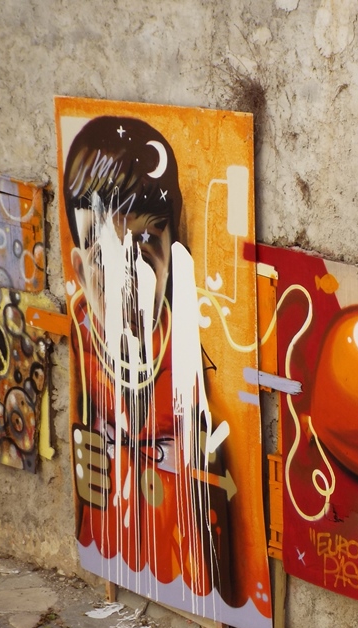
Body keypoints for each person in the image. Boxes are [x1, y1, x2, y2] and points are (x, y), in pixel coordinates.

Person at [64, 116, 231, 601]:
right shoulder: (82, 332)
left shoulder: (186, 347)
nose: (128, 275)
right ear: (80, 269)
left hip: (178, 539)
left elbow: (212, 469)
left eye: (143, 243)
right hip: (114, 527)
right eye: (103, 252)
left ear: (171, 256)